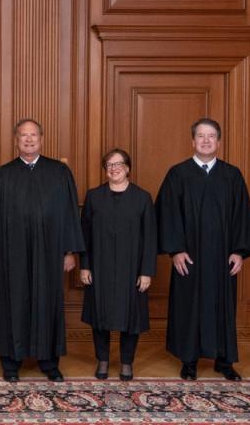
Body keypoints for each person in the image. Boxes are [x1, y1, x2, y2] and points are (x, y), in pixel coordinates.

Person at [156, 118, 250, 382]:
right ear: (192, 141)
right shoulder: (178, 174)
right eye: (201, 136)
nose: (206, 141)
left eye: (211, 136)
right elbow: (167, 214)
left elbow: (242, 216)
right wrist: (176, 250)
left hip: (221, 257)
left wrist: (239, 251)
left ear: (218, 141)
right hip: (189, 258)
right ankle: (189, 360)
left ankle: (224, 360)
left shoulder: (232, 175)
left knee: (222, 305)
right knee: (188, 306)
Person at [0, 119, 84, 382]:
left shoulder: (59, 172)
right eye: (23, 135)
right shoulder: (2, 175)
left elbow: (69, 213)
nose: (28, 140)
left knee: (47, 302)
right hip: (12, 254)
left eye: (33, 135)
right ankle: (11, 362)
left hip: (50, 252)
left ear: (41, 138)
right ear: (15, 139)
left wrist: (69, 251)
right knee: (12, 302)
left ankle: (49, 361)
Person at [79, 149, 156, 382]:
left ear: (128, 168)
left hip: (131, 268)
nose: (114, 168)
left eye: (118, 164)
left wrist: (146, 272)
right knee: (100, 315)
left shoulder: (143, 198)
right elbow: (85, 236)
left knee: (130, 317)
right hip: (99, 267)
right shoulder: (94, 196)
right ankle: (102, 360)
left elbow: (150, 238)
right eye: (109, 165)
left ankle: (126, 362)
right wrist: (85, 265)